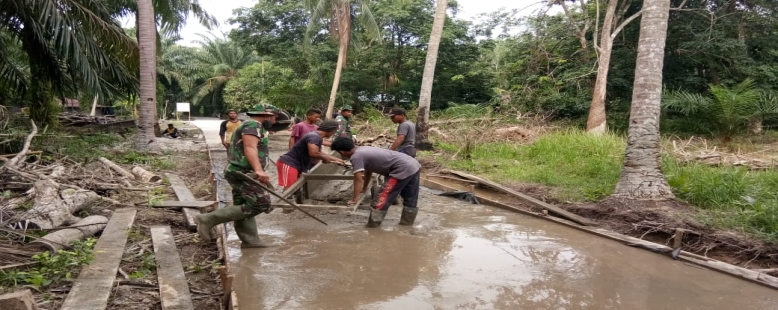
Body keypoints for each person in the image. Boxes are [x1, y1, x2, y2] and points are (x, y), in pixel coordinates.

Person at [195, 104, 279, 248]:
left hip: (238, 170)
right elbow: (250, 147)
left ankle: (250, 241)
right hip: (244, 172)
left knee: (243, 205)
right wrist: (259, 170)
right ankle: (207, 219)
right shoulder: (254, 125)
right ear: (266, 115)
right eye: (274, 117)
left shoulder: (250, 125)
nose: (275, 120)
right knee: (261, 204)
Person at [331, 138, 421, 227]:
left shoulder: (356, 157)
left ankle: (373, 226)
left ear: (342, 152)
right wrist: (364, 188)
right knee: (410, 197)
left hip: (402, 168)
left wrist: (355, 199)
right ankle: (407, 225)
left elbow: (358, 179)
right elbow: (368, 171)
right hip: (413, 164)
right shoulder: (362, 149)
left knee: (382, 197)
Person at [277, 120, 345, 189]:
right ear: (331, 130)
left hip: (296, 165)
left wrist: (337, 159)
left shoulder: (317, 137)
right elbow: (313, 154)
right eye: (334, 131)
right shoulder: (314, 137)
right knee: (289, 189)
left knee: (294, 188)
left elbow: (319, 153)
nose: (333, 134)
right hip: (289, 164)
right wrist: (325, 158)